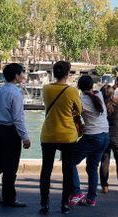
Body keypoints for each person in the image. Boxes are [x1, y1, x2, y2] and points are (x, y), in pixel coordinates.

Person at [39, 61, 82, 215]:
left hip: (49, 134)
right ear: (67, 74)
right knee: (68, 171)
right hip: (67, 135)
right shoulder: (72, 91)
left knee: (46, 170)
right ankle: (64, 204)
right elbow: (79, 109)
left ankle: (44, 204)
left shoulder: (46, 89)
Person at [0, 63, 31, 208]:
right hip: (11, 132)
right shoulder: (16, 94)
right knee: (10, 167)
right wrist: (25, 137)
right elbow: (18, 118)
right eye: (21, 73)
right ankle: (9, 198)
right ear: (16, 76)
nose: (23, 76)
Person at [68, 75, 109, 208]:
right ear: (92, 85)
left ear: (79, 87)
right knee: (92, 167)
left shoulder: (81, 101)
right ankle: (91, 199)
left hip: (92, 136)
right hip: (105, 136)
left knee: (70, 161)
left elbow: (71, 113)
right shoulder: (99, 95)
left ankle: (76, 192)